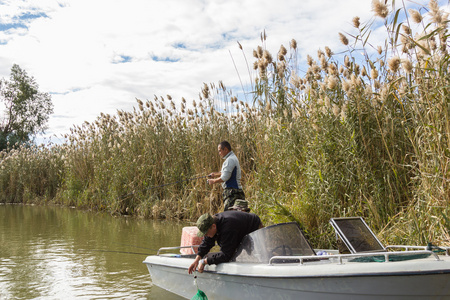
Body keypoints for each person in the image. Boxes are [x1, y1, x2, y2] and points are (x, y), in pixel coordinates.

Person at [188, 210, 263, 274]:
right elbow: (207, 242)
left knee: (259, 256)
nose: (206, 235)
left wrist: (205, 261)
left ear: (213, 226)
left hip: (254, 229)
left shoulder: (227, 228)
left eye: (206, 233)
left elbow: (226, 255)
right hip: (239, 230)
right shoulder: (212, 223)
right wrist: (197, 259)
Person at [207, 141, 245, 211]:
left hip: (232, 193)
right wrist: (215, 174)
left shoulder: (230, 160)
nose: (219, 153)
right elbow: (227, 172)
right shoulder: (232, 158)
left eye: (220, 151)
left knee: (229, 216)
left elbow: (225, 177)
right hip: (236, 192)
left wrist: (213, 181)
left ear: (225, 149)